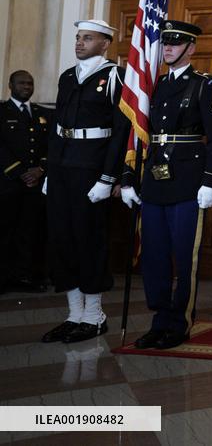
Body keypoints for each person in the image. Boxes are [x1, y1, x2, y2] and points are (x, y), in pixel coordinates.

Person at [120, 20, 212, 350]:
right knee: (154, 254)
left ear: (191, 48)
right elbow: (140, 133)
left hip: (187, 181)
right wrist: (128, 177)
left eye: (176, 42)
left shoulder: (204, 86)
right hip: (154, 181)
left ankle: (180, 321)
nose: (167, 47)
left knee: (184, 255)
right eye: (165, 42)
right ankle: (159, 319)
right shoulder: (154, 87)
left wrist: (211, 182)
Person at [42, 19, 129, 344]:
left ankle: (94, 316)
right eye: (78, 37)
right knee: (62, 240)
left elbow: (121, 130)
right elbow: (58, 126)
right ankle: (73, 314)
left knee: (89, 239)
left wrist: (109, 177)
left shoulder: (114, 76)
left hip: (91, 169)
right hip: (63, 166)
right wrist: (50, 171)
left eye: (88, 38)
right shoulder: (68, 76)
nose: (79, 43)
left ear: (105, 43)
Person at [1, 70, 52, 293]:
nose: (26, 86)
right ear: (10, 85)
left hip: (35, 184)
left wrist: (40, 169)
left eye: (30, 83)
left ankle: (25, 276)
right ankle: (3, 278)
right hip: (8, 183)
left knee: (30, 231)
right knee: (4, 232)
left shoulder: (43, 113)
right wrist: (21, 172)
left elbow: (51, 144)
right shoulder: (2, 111)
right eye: (21, 83)